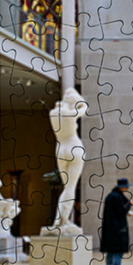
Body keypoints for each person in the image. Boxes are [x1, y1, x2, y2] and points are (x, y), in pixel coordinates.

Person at [47, 87, 88, 231]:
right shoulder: (70, 113)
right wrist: (79, 101)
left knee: (67, 188)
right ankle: (61, 220)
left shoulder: (53, 113)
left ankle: (60, 221)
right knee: (70, 188)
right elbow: (84, 107)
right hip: (74, 147)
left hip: (60, 149)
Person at [100, 178, 132, 265]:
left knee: (110, 252)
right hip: (117, 229)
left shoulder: (110, 196)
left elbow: (114, 212)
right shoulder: (117, 197)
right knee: (118, 251)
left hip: (109, 229)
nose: (127, 188)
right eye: (126, 186)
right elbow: (122, 211)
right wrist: (130, 205)